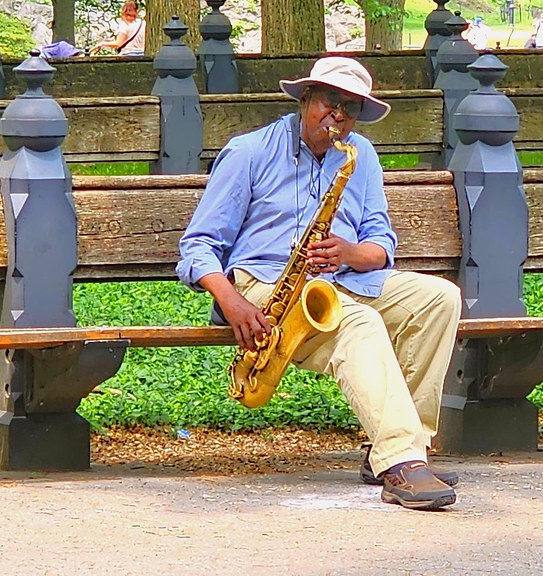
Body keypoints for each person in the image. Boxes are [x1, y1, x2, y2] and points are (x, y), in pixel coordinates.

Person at [176, 56, 462, 511]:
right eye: (331, 102)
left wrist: (348, 253)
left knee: (439, 299)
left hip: (343, 279)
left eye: (351, 108)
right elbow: (197, 247)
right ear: (306, 98)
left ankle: (404, 449)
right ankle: (402, 462)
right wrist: (229, 300)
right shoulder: (248, 152)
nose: (339, 116)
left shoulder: (359, 154)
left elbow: (381, 242)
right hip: (266, 284)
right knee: (358, 323)